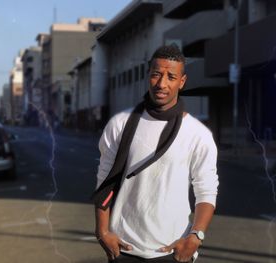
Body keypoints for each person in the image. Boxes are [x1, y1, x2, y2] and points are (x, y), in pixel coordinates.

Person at [93, 45, 219, 263]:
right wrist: (102, 232)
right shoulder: (119, 124)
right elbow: (105, 182)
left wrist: (195, 237)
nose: (162, 84)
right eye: (156, 75)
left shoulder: (198, 134)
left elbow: (206, 191)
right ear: (148, 76)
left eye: (171, 77)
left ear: (182, 81)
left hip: (173, 251)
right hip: (124, 249)